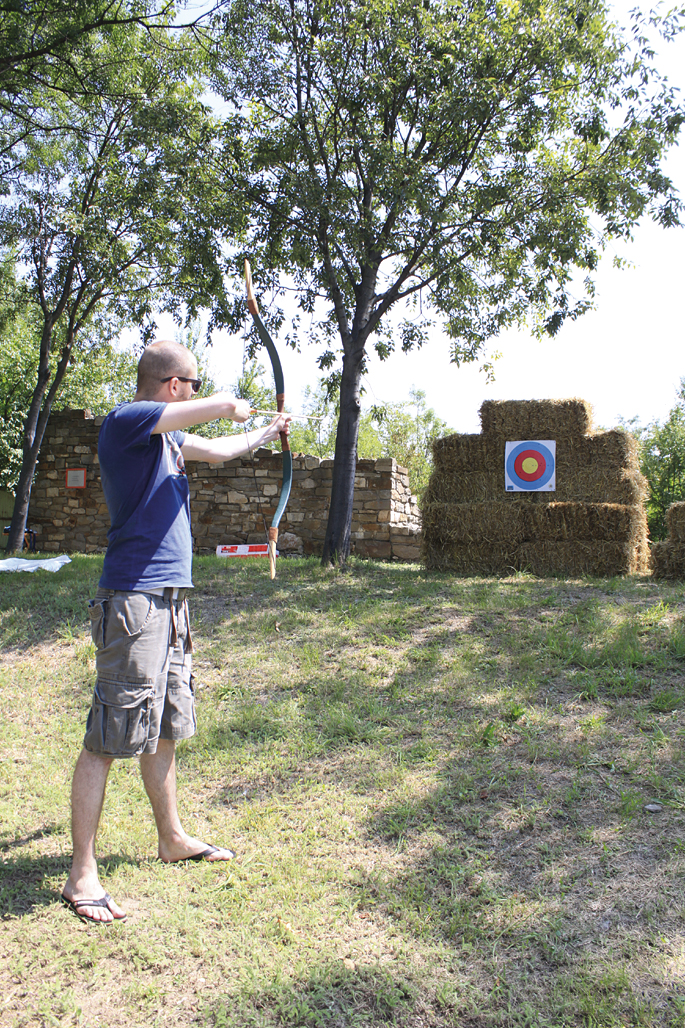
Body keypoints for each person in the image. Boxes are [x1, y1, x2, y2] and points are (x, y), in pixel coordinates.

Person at [61, 340, 290, 924]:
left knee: (164, 727)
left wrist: (267, 431)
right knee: (108, 736)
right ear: (172, 384)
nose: (194, 392)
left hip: (168, 603)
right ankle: (81, 874)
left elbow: (220, 450)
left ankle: (172, 838)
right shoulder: (128, 421)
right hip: (133, 601)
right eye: (192, 383)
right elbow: (216, 413)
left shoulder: (167, 439)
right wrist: (231, 404)